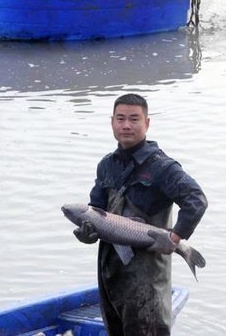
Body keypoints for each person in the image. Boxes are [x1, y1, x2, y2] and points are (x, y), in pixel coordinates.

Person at [73, 93, 207, 336]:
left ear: (147, 123)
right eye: (120, 118)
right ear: (111, 122)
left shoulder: (163, 167)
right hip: (110, 276)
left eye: (134, 119)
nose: (126, 125)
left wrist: (175, 238)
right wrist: (86, 234)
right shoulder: (106, 165)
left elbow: (196, 201)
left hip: (147, 279)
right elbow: (95, 211)